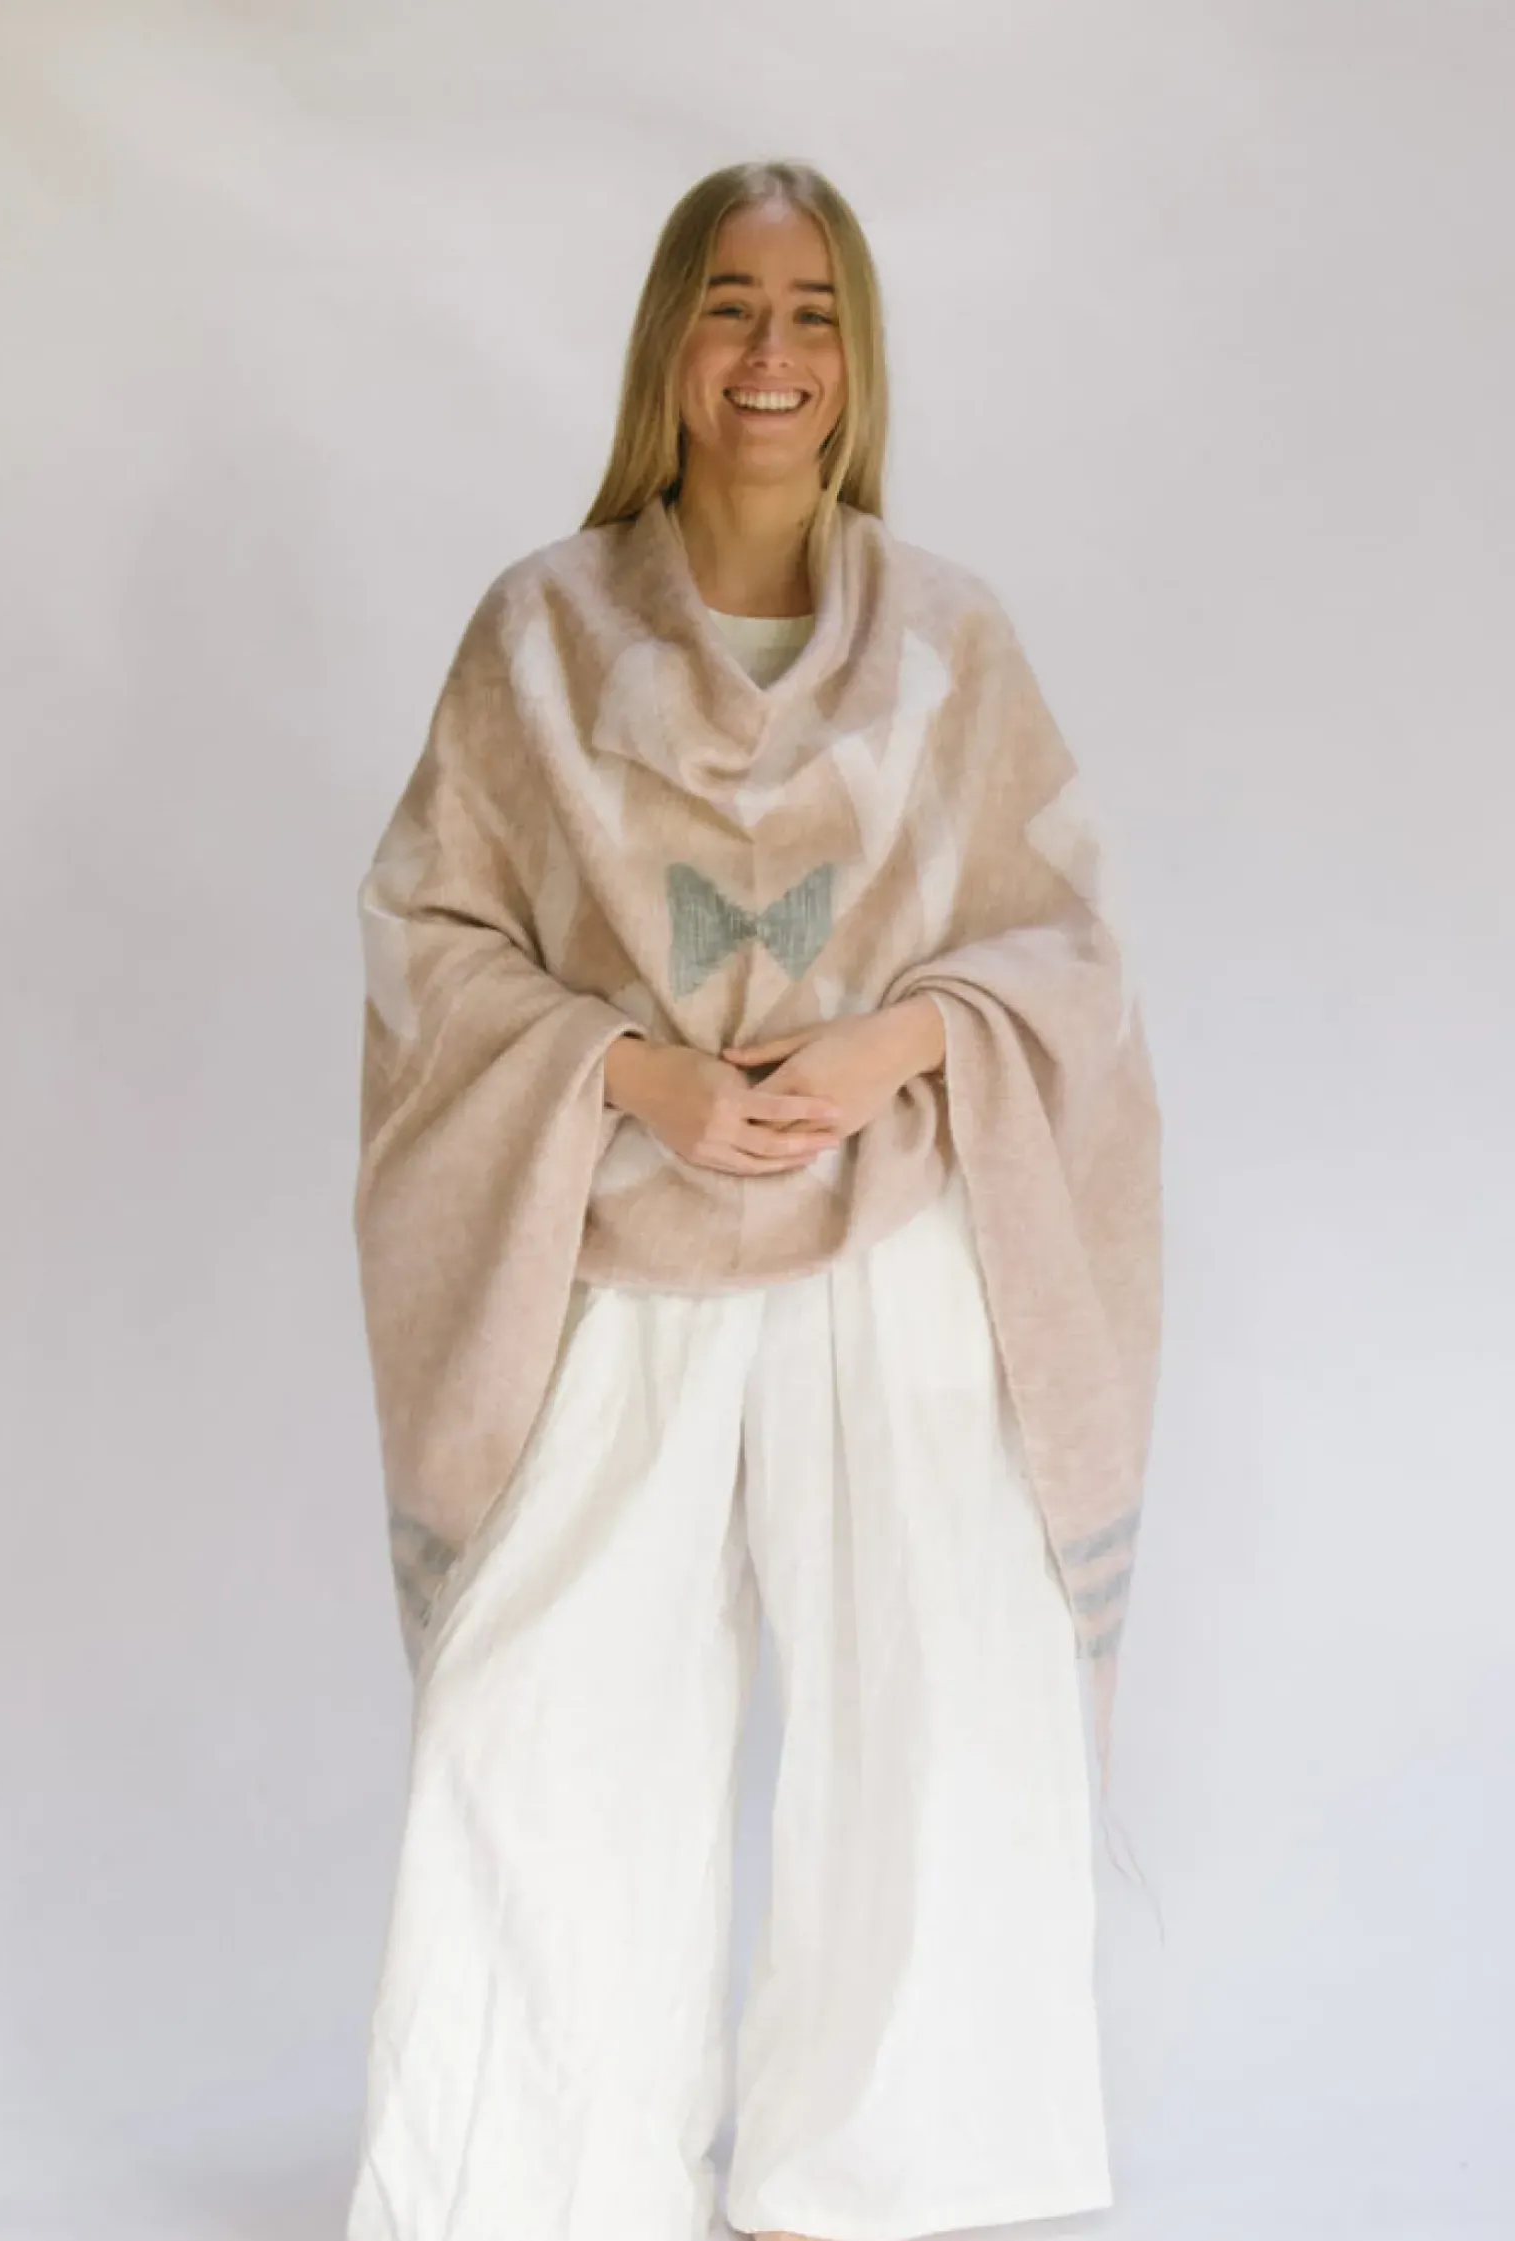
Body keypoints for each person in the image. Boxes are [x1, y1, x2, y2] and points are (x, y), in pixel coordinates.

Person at [345, 158, 1163, 2241]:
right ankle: (531, 2177)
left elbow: (1066, 948)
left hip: (895, 1244)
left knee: (935, 1707)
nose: (769, 353)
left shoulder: (949, 645)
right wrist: (632, 1076)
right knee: (546, 1713)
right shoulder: (541, 637)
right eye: (728, 304)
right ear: (668, 345)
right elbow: (431, 931)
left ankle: (898, 2178)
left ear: (855, 358)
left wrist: (902, 1045)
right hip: (620, 1235)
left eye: (810, 315)